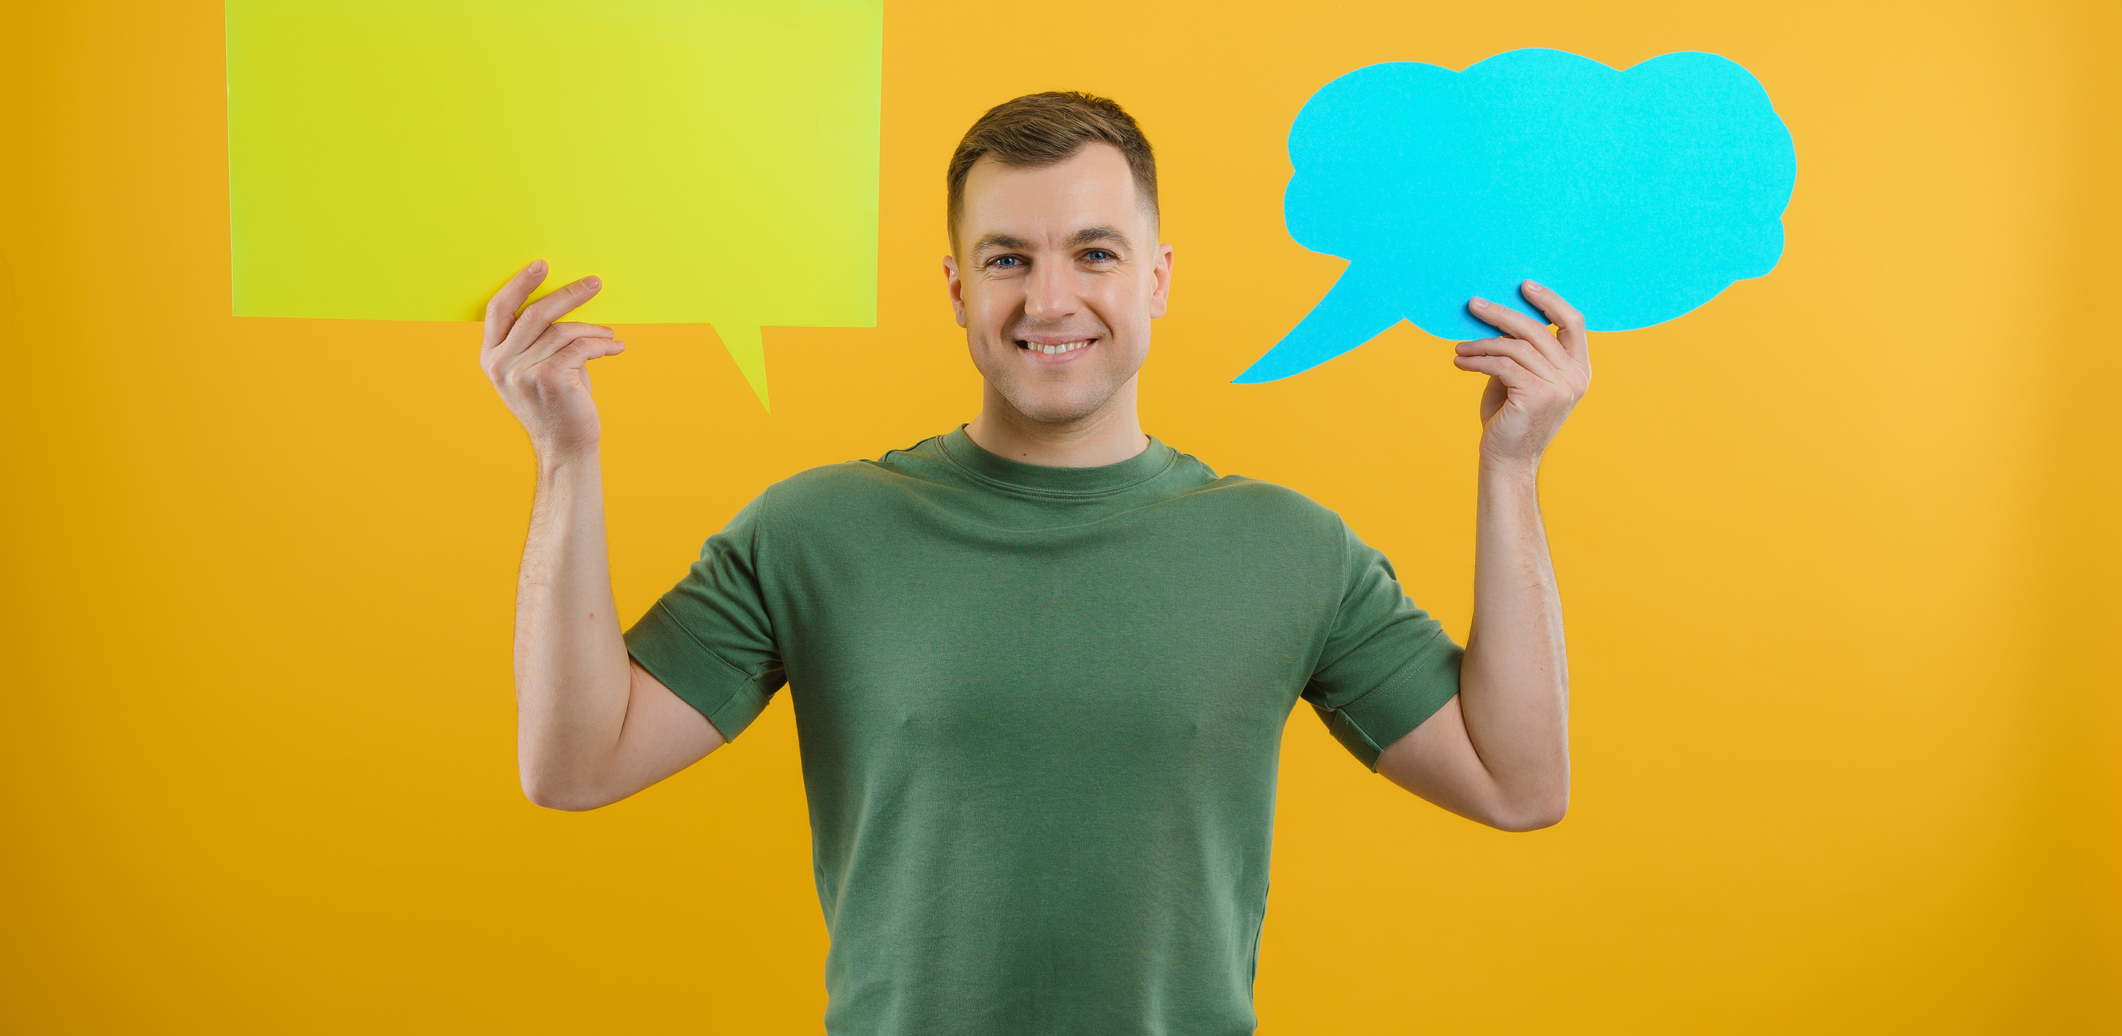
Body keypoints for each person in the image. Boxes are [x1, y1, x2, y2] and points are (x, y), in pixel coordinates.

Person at [481, 92, 1588, 1035]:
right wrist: (564, 455)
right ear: (957, 286)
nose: (1048, 299)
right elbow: (578, 761)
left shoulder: (1287, 546)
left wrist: (1512, 466)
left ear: (1156, 277)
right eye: (1006, 257)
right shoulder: (817, 529)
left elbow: (1517, 778)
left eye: (1093, 253)